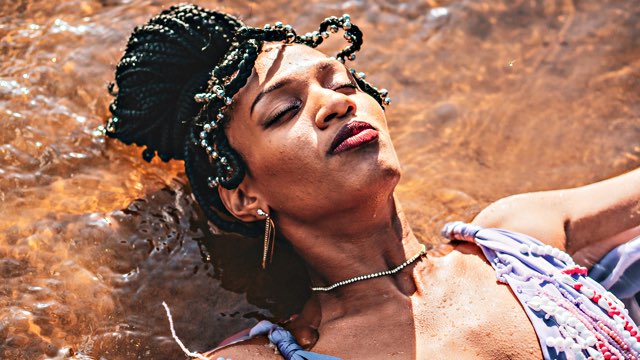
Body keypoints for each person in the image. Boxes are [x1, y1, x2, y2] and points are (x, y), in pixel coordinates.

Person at [105, 4, 640, 359]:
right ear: (245, 195)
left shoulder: (516, 242)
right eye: (284, 111)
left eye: (342, 82)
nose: (337, 102)